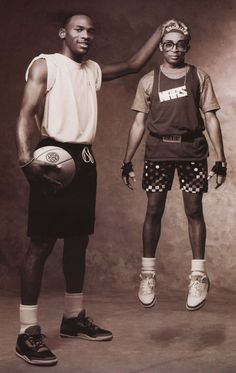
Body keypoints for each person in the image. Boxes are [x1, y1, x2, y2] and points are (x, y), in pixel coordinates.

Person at [15, 11, 169, 366]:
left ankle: (73, 318)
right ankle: (27, 333)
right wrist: (26, 161)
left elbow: (132, 64)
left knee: (78, 241)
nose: (85, 36)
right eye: (78, 30)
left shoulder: (92, 71)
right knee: (40, 243)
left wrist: (160, 29)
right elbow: (25, 113)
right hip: (52, 155)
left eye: (90, 32)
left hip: (84, 160)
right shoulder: (45, 65)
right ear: (63, 33)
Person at [122, 20, 227, 311]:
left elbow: (211, 119)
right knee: (153, 209)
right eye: (169, 43)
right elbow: (139, 123)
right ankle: (147, 274)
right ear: (160, 47)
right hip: (158, 152)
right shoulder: (148, 80)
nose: (174, 49)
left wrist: (220, 159)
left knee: (194, 210)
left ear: (187, 47)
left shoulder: (199, 76)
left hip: (192, 151)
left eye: (180, 44)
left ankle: (198, 276)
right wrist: (127, 160)